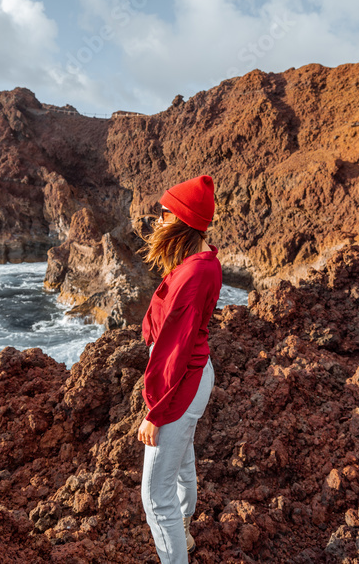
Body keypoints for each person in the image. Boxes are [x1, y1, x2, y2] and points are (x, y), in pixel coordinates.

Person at [137, 174, 222, 563]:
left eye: (165, 214)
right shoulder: (205, 262)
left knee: (155, 497)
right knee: (183, 455)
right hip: (197, 374)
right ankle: (185, 525)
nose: (159, 222)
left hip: (183, 382)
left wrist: (155, 413)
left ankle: (176, 544)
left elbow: (173, 350)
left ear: (184, 220)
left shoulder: (191, 275)